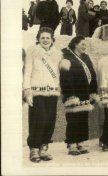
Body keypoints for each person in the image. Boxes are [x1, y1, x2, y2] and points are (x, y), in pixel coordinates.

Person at [23, 27, 62, 163]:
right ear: (38, 39)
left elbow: (57, 74)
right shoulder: (32, 52)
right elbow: (27, 71)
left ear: (52, 40)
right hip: (36, 91)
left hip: (52, 91)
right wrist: (27, 90)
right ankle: (34, 148)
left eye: (48, 38)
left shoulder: (57, 54)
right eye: (43, 38)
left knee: (49, 120)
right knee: (38, 119)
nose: (45, 40)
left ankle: (43, 147)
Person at [59, 36, 99, 155]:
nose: (84, 46)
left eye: (85, 45)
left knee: (82, 119)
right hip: (73, 92)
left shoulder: (86, 57)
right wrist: (70, 95)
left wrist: (93, 92)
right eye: (82, 44)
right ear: (75, 44)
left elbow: (92, 75)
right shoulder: (66, 57)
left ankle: (80, 142)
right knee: (73, 119)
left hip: (85, 92)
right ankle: (72, 144)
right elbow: (64, 78)